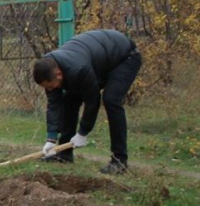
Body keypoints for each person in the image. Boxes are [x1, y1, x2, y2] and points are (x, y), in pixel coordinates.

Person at [32, 29, 142, 174]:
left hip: (125, 58)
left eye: (51, 86)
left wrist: (83, 132)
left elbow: (92, 101)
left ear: (58, 74)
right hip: (98, 60)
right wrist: (51, 138)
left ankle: (119, 161)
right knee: (69, 101)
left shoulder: (78, 70)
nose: (51, 89)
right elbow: (54, 105)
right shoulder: (47, 68)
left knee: (111, 100)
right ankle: (64, 154)